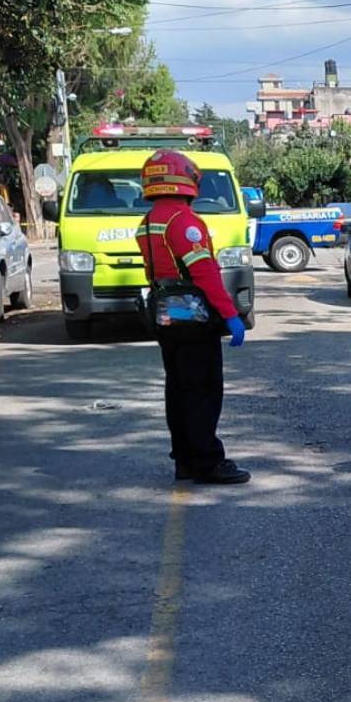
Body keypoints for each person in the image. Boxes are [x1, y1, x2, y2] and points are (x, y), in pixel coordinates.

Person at [135, 148, 252, 485]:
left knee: (179, 387)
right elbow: (205, 275)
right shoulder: (183, 221)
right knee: (203, 388)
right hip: (194, 317)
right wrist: (231, 315)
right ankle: (207, 461)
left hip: (166, 315)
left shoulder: (150, 220)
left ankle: (185, 458)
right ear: (186, 179)